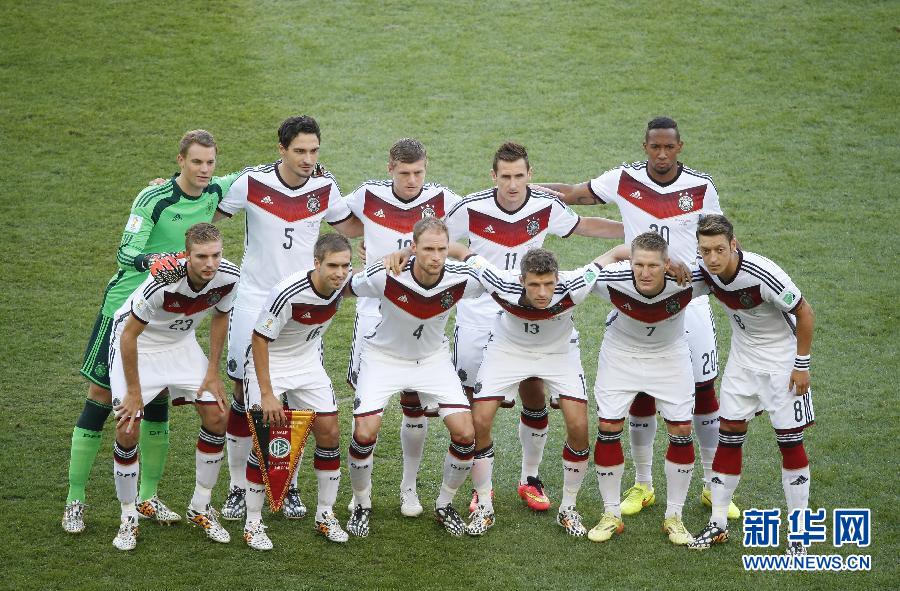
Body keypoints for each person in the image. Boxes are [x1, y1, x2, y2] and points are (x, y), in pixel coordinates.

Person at [539, 117, 739, 519]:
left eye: (669, 147)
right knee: (642, 393)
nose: (662, 155)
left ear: (680, 146)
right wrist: (526, 191)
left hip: (688, 301)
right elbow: (576, 194)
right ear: (645, 147)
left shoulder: (701, 187)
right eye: (655, 148)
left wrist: (722, 275)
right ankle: (644, 484)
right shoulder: (623, 180)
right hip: (638, 291)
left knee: (703, 392)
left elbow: (718, 239)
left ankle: (712, 486)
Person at [64, 130, 240, 534]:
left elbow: (259, 174)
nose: (204, 170)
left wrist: (313, 169)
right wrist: (158, 261)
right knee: (104, 401)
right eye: (196, 162)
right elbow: (125, 252)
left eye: (210, 162)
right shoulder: (154, 198)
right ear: (180, 160)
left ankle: (147, 497)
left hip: (171, 317)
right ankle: (75, 499)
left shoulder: (216, 189)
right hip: (125, 310)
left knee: (158, 402)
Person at [444, 141, 623, 513]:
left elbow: (582, 225)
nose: (512, 184)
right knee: (473, 410)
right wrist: (463, 254)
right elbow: (436, 239)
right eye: (505, 176)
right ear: (493, 176)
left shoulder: (546, 206)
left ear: (531, 174)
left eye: (519, 176)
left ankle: (530, 477)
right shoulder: (470, 207)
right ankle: (480, 487)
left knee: (534, 391)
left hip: (528, 310)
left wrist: (636, 230)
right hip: (478, 313)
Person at [214, 115, 363, 523]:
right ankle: (238, 489)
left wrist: (381, 230)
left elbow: (349, 224)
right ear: (281, 150)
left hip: (301, 303)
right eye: (299, 151)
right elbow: (209, 214)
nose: (308, 159)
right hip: (254, 300)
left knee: (296, 396)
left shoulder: (323, 185)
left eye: (314, 151)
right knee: (247, 396)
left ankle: (291, 484)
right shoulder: (251, 183)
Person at [464, 247, 621, 538]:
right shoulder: (500, 281)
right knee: (480, 421)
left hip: (558, 353)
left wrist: (668, 260)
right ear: (521, 280)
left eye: (549, 284)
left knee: (579, 425)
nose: (542, 292)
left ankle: (568, 509)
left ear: (557, 278)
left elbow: (612, 255)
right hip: (507, 350)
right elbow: (464, 252)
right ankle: (484, 504)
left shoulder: (576, 283)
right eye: (534, 284)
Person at [343, 138, 463, 518]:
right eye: (405, 172)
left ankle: (409, 488)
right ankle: (361, 491)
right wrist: (368, 254)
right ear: (390, 167)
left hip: (422, 308)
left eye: (419, 173)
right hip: (373, 309)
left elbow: (458, 244)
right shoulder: (366, 196)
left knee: (414, 404)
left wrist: (410, 253)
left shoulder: (445, 199)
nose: (412, 180)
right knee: (366, 409)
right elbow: (331, 218)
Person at [345, 218, 484, 538]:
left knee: (465, 433)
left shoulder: (461, 278)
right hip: (384, 358)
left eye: (441, 249)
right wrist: (380, 259)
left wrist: (465, 253)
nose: (436, 256)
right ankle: (362, 503)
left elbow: (495, 279)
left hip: (432, 361)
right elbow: (344, 285)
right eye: (428, 249)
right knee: (364, 433)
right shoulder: (387, 275)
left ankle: (444, 505)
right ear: (413, 248)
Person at [688, 215, 815, 555]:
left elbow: (806, 314)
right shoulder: (706, 272)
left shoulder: (763, 274)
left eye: (719, 249)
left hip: (781, 364)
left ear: (734, 245)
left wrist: (801, 366)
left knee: (789, 442)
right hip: (742, 362)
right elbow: (678, 279)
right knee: (728, 436)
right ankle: (717, 524)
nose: (712, 258)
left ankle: (799, 533)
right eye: (705, 251)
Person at [108, 223, 238, 551]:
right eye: (202, 256)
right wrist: (135, 392)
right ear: (188, 254)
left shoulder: (229, 277)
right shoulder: (161, 283)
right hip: (139, 344)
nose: (211, 263)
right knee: (127, 429)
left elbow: (222, 317)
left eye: (216, 255)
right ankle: (128, 515)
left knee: (218, 417)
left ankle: (200, 506)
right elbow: (128, 335)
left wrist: (211, 371)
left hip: (181, 343)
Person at [587, 232, 708, 546]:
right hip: (620, 355)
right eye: (638, 264)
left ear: (667, 264)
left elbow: (729, 270)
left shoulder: (689, 280)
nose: (644, 272)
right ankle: (611, 514)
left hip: (670, 357)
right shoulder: (613, 279)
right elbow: (576, 279)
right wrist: (614, 252)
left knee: (681, 430)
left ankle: (675, 517)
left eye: (653, 266)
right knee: (608, 427)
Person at [240, 234, 354, 550]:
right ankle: (252, 523)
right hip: (271, 362)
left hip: (306, 363)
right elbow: (259, 339)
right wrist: (267, 394)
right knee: (267, 438)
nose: (340, 273)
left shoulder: (344, 284)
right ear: (316, 263)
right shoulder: (288, 293)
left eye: (345, 266)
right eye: (332, 265)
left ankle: (325, 515)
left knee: (330, 432)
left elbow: (380, 277)